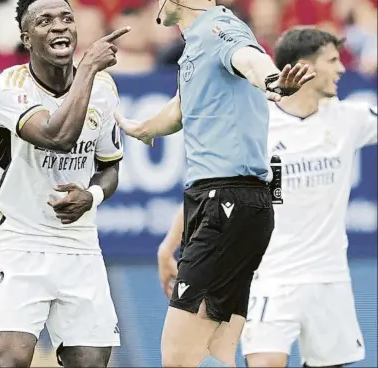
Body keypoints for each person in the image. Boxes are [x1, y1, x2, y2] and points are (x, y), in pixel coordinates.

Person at [115, 0, 315, 368]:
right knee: (217, 351)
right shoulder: (196, 45)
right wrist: (140, 128)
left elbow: (250, 59)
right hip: (227, 204)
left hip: (229, 202)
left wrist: (276, 82)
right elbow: (182, 108)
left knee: (177, 355)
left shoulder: (220, 29)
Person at [157, 27, 377, 368]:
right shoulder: (257, 122)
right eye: (333, 61)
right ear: (304, 67)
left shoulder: (349, 118)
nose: (342, 69)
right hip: (268, 274)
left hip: (329, 276)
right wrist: (169, 244)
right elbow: (213, 186)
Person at [0, 0, 130, 368]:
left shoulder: (103, 90)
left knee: (91, 363)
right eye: (45, 21)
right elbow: (56, 136)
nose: (59, 26)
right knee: (11, 359)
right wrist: (90, 69)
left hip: (79, 246)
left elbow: (110, 167)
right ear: (26, 38)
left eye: (67, 18)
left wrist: (91, 197)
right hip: (20, 242)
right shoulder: (6, 89)